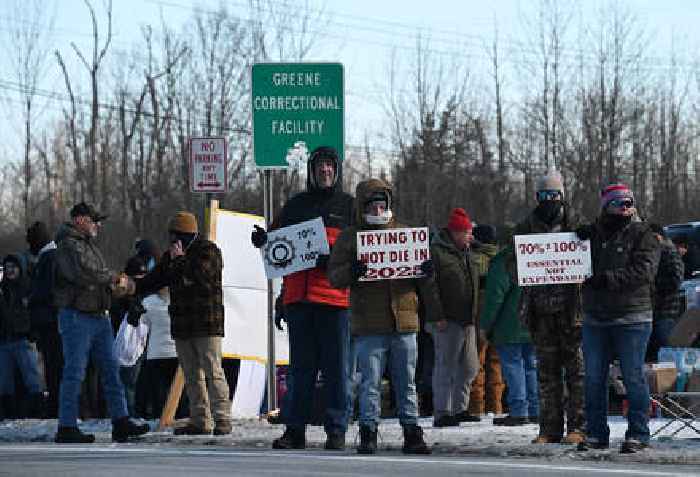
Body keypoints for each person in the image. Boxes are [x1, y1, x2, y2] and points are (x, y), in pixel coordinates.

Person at [251, 146, 354, 450]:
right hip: (299, 300)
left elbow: (358, 254)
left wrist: (331, 262)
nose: (325, 171)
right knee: (300, 371)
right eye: (320, 166)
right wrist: (261, 240)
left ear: (336, 171)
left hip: (335, 302)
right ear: (312, 171)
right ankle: (294, 430)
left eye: (330, 167)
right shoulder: (295, 205)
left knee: (337, 371)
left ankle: (336, 430)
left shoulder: (349, 208)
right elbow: (276, 247)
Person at [328, 178, 435, 455]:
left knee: (406, 382)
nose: (377, 210)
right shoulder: (351, 237)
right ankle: (368, 432)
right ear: (363, 207)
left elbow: (422, 283)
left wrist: (426, 271)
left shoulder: (404, 234)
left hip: (405, 320)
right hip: (369, 324)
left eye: (381, 205)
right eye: (372, 205)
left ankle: (412, 432)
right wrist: (353, 271)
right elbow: (334, 276)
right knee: (369, 383)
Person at [575, 184, 661, 454]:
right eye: (619, 203)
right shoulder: (593, 235)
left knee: (633, 376)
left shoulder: (643, 234)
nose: (625, 208)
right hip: (596, 317)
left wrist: (606, 280)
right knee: (593, 378)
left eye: (629, 203)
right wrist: (573, 244)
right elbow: (566, 263)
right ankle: (596, 433)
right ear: (606, 206)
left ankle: (638, 433)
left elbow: (644, 272)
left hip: (632, 317)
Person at [53, 202, 148, 443]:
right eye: (94, 220)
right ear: (79, 220)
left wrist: (117, 289)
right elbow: (88, 273)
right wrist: (117, 279)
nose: (98, 225)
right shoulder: (67, 245)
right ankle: (66, 426)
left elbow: (97, 276)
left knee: (111, 370)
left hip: (98, 316)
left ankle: (121, 421)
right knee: (75, 372)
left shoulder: (87, 245)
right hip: (76, 317)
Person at [134, 211, 231, 436]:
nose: (172, 241)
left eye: (176, 235)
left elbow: (200, 277)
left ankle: (222, 418)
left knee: (212, 372)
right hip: (183, 325)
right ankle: (200, 420)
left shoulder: (208, 251)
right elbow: (155, 279)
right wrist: (131, 286)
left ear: (187, 234)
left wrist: (179, 261)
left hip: (206, 325)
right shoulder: (171, 256)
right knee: (191, 374)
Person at [514, 170, 586, 444]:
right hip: (540, 309)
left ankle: (578, 427)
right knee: (547, 373)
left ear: (562, 196)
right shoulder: (525, 227)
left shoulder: (577, 223)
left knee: (577, 372)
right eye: (544, 195)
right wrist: (521, 271)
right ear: (537, 197)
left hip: (572, 309)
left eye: (554, 195)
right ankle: (549, 429)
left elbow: (589, 254)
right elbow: (510, 260)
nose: (549, 200)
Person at [424, 208, 480, 427]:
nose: (470, 236)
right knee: (445, 366)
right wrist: (437, 315)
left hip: (467, 319)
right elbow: (429, 286)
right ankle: (442, 411)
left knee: (469, 366)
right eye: (467, 232)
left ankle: (460, 408)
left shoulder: (468, 252)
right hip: (447, 319)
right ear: (456, 232)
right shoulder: (437, 252)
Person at [479, 248, 538, 426]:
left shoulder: (503, 262)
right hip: (534, 322)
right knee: (531, 366)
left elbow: (495, 297)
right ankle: (535, 409)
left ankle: (519, 411)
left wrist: (486, 325)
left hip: (509, 325)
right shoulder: (535, 256)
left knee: (513, 367)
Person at [0, 254, 45, 419]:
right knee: (4, 382)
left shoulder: (28, 288)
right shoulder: (2, 289)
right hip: (5, 340)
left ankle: (38, 413)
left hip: (24, 339)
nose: (10, 270)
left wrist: (33, 333)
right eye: (7, 267)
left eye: (13, 267)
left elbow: (35, 313)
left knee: (32, 378)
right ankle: (8, 414)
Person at [26, 221, 62, 418]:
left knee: (54, 366)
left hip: (51, 322)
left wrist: (31, 299)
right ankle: (56, 405)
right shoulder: (49, 257)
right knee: (53, 366)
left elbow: (46, 290)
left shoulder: (49, 258)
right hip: (51, 321)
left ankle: (55, 407)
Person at [468, 224, 504, 417]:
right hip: (500, 319)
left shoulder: (472, 260)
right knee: (496, 363)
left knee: (477, 364)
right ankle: (496, 406)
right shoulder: (502, 260)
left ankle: (476, 407)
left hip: (478, 317)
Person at [647, 224, 684, 361]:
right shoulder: (659, 252)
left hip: (667, 308)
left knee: (665, 344)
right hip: (659, 308)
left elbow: (676, 280)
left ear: (658, 237)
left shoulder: (668, 252)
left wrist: (655, 285)